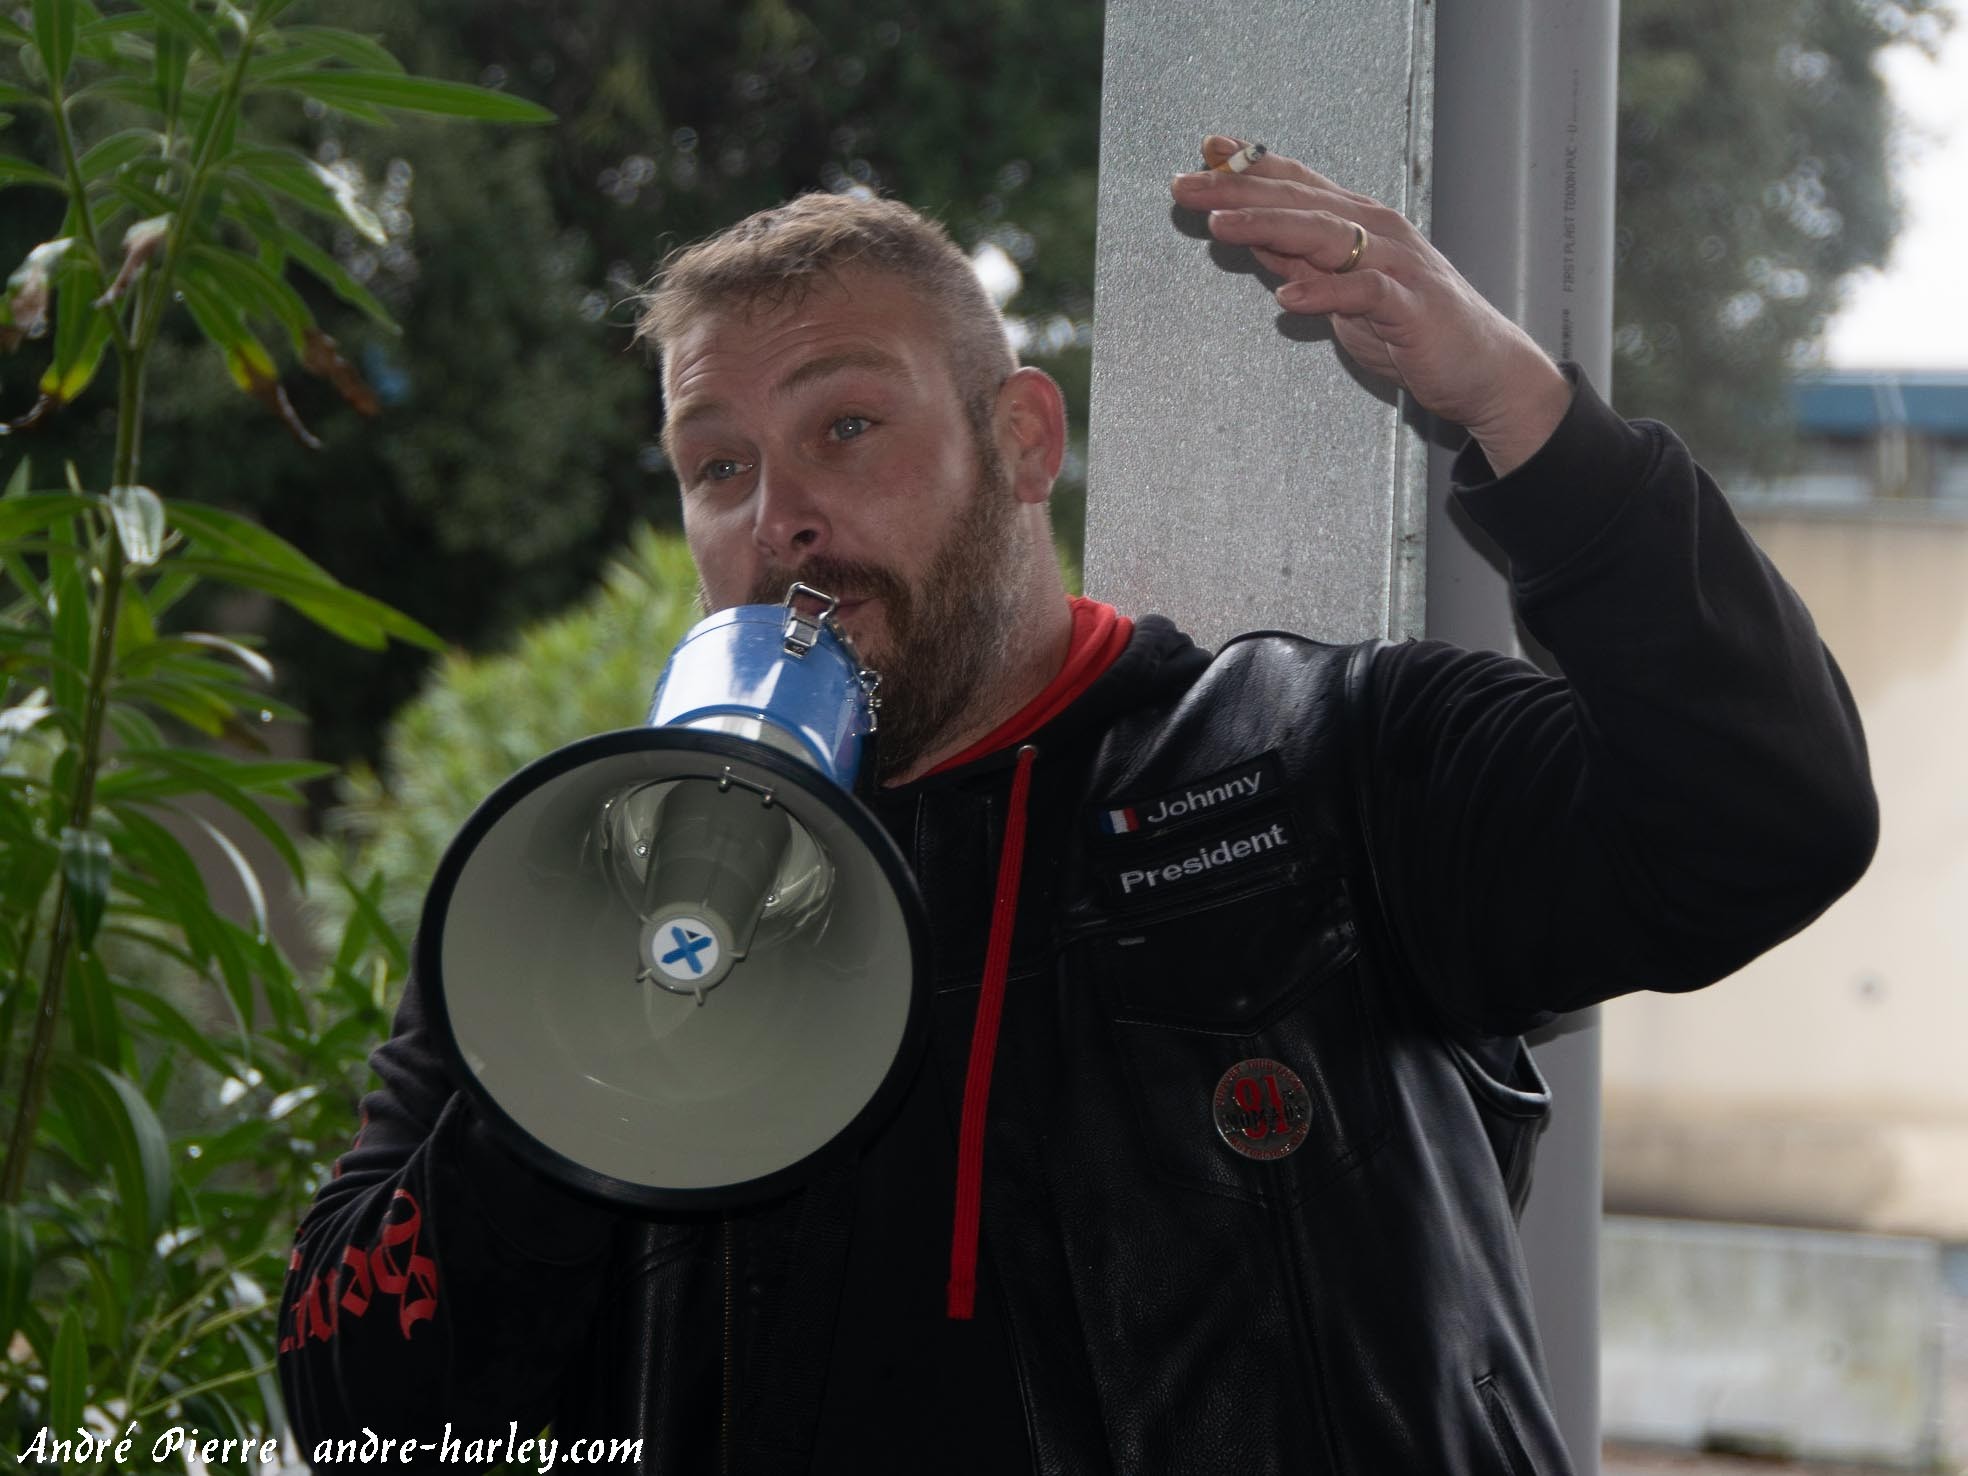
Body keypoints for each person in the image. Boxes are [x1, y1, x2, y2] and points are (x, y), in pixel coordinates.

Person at [276, 138, 1876, 1473]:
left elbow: (1763, 818)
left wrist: (1527, 417)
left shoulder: (1320, 768)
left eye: (846, 426)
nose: (784, 521)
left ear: (1020, 441)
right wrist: (590, 1035)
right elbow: (358, 1411)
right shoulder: (579, 900)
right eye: (717, 468)